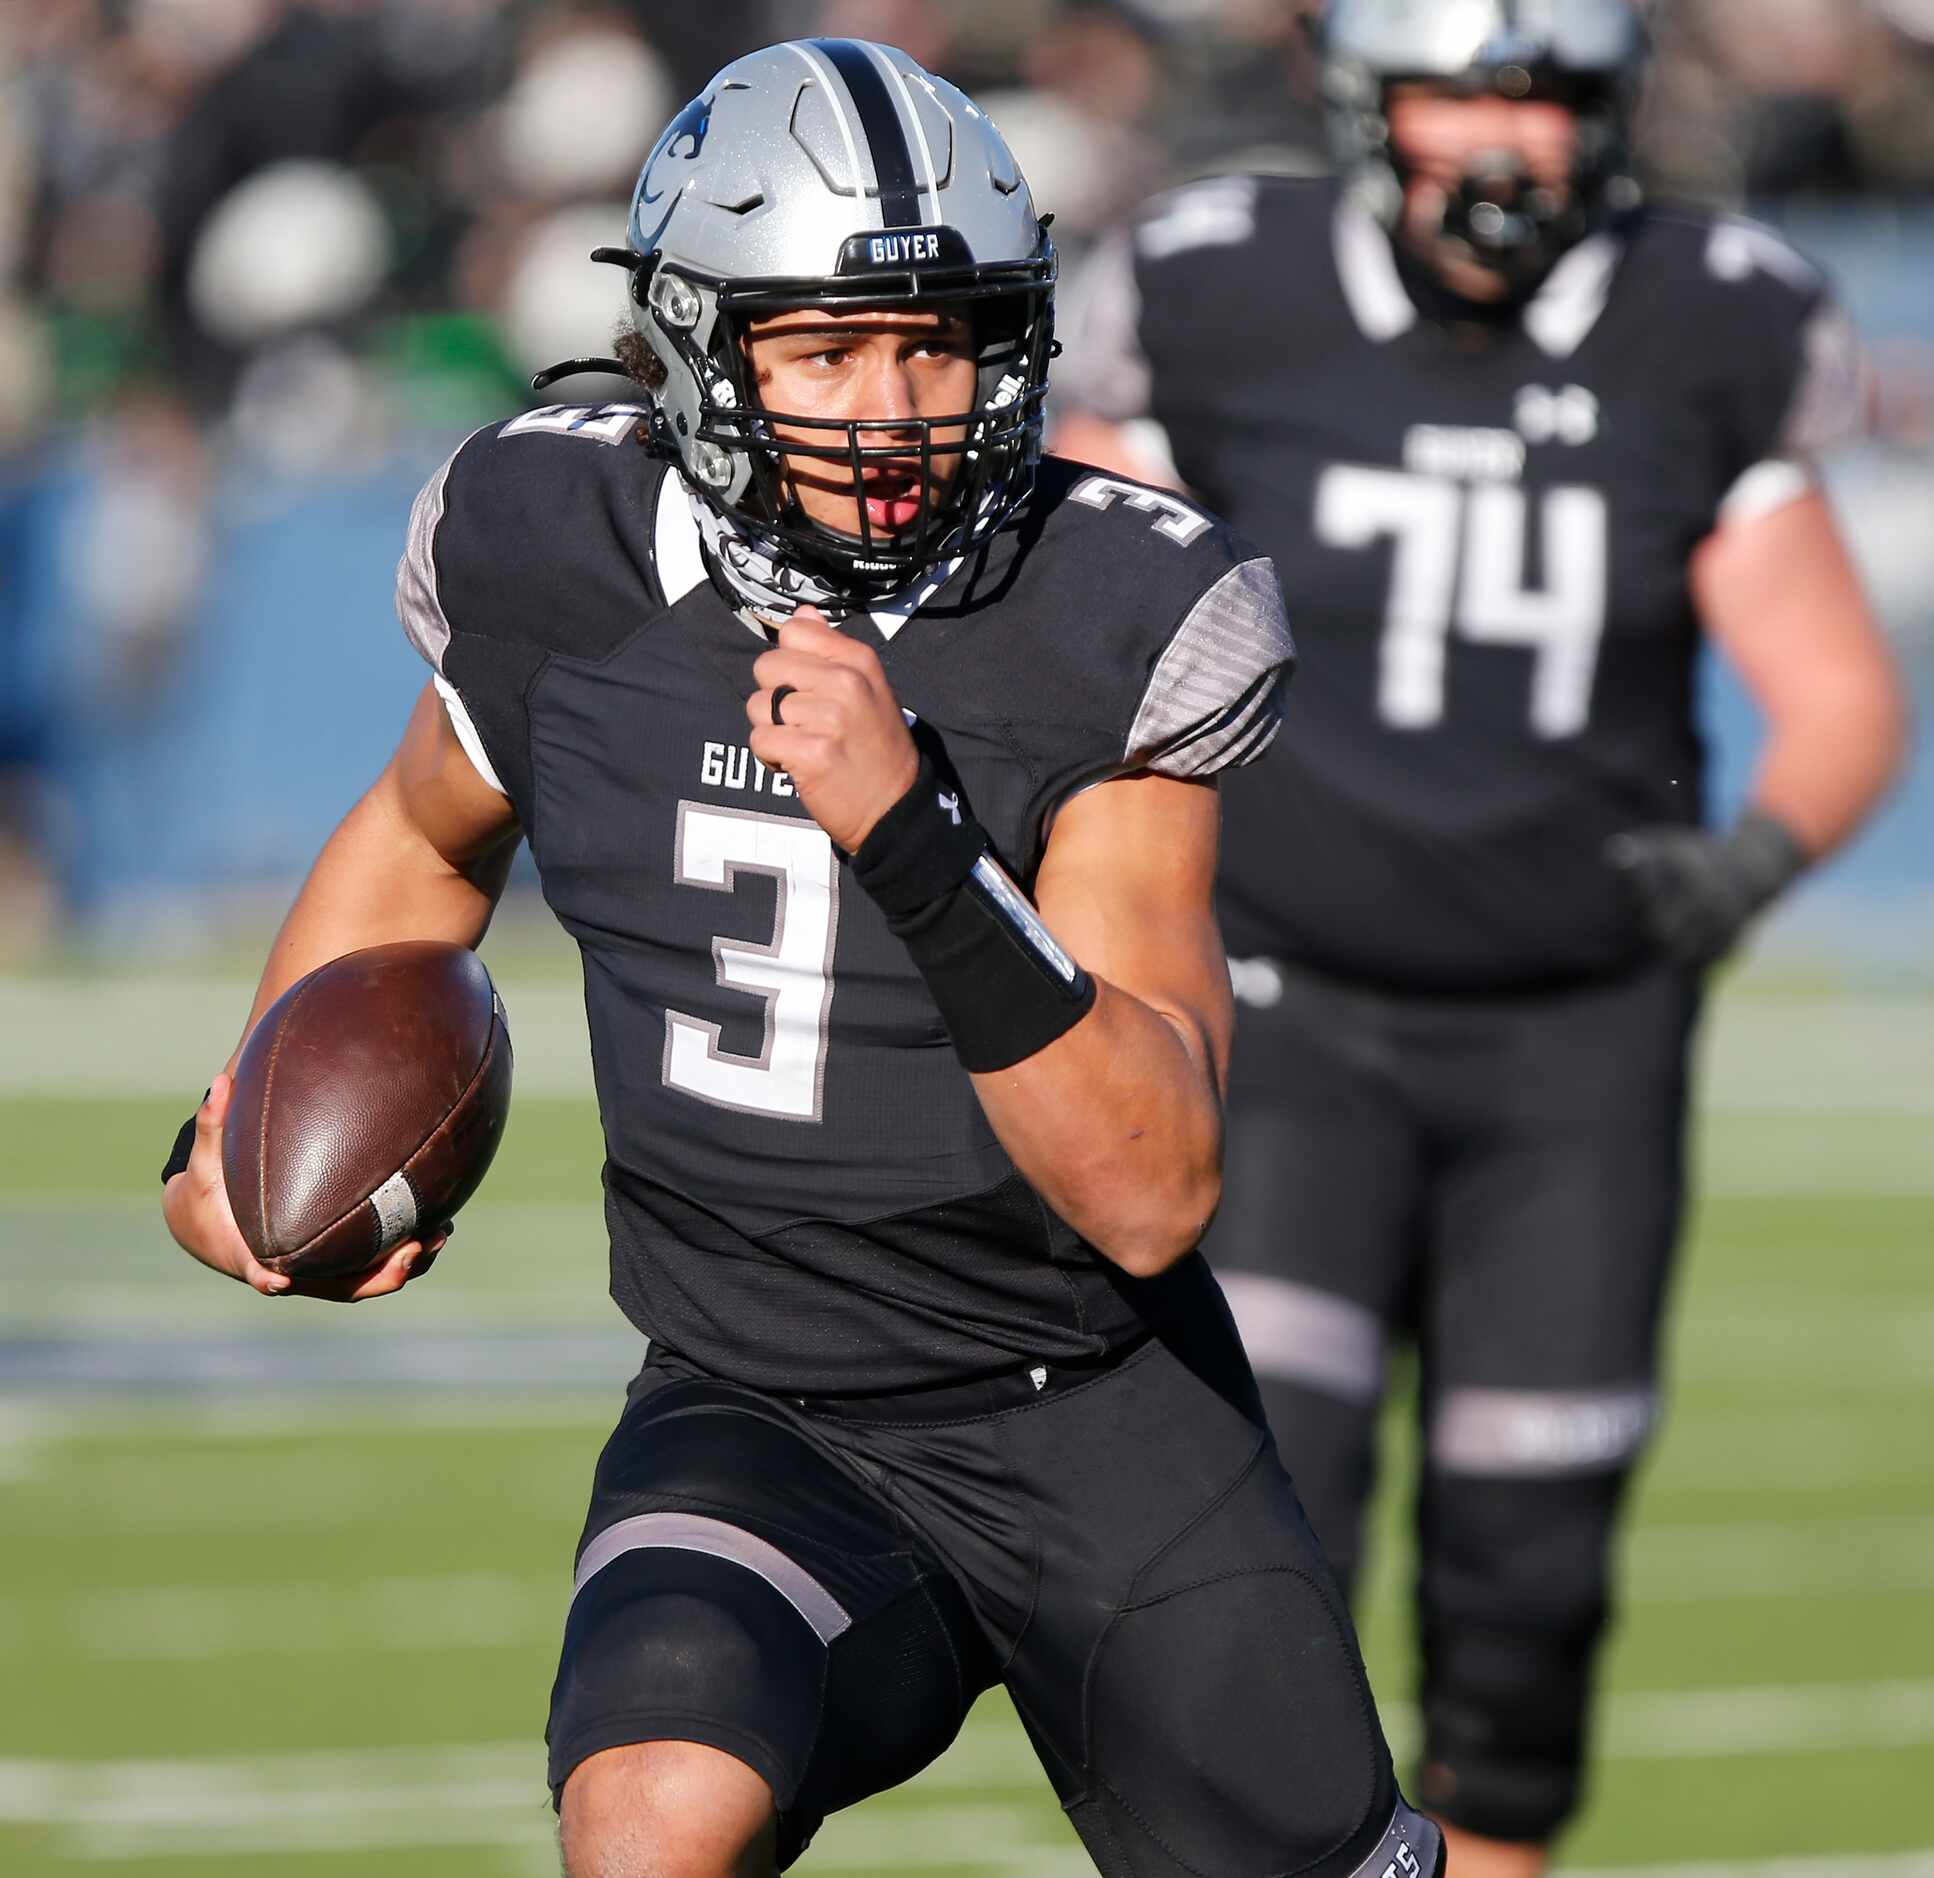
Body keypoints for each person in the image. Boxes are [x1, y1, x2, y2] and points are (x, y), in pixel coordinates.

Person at [161, 38, 1444, 1878]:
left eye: (939, 341)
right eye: (825, 347)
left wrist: (913, 838)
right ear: (694, 346)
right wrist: (253, 1133)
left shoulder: (1109, 610)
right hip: (757, 1396)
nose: (895, 404)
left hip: (1088, 1403)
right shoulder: (556, 540)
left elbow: (1151, 1188)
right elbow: (421, 837)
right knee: (648, 1819)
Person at [1052, 4, 1908, 1876]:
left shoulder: (1711, 311)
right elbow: (1080, 610)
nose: (1502, 138)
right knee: (1256, 1543)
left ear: (1610, 117)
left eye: (1545, 94)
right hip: (1280, 1013)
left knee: (1527, 1586)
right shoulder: (1219, 283)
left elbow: (1833, 684)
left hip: (1571, 1040)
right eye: (1462, 85)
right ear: (1367, 104)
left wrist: (1755, 854)